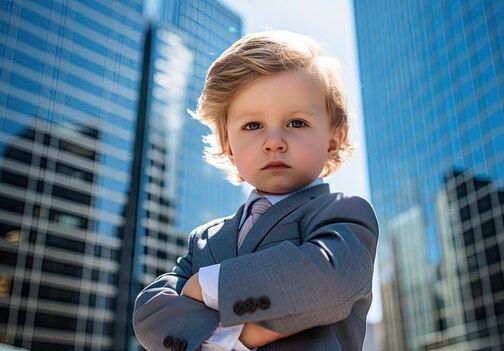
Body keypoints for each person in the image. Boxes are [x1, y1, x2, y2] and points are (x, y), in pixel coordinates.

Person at [133, 30, 379, 351]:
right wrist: (235, 336)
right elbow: (150, 315)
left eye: (296, 122)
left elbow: (331, 279)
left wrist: (210, 284)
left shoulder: (343, 213)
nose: (273, 141)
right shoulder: (204, 238)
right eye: (252, 125)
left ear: (332, 139)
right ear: (229, 147)